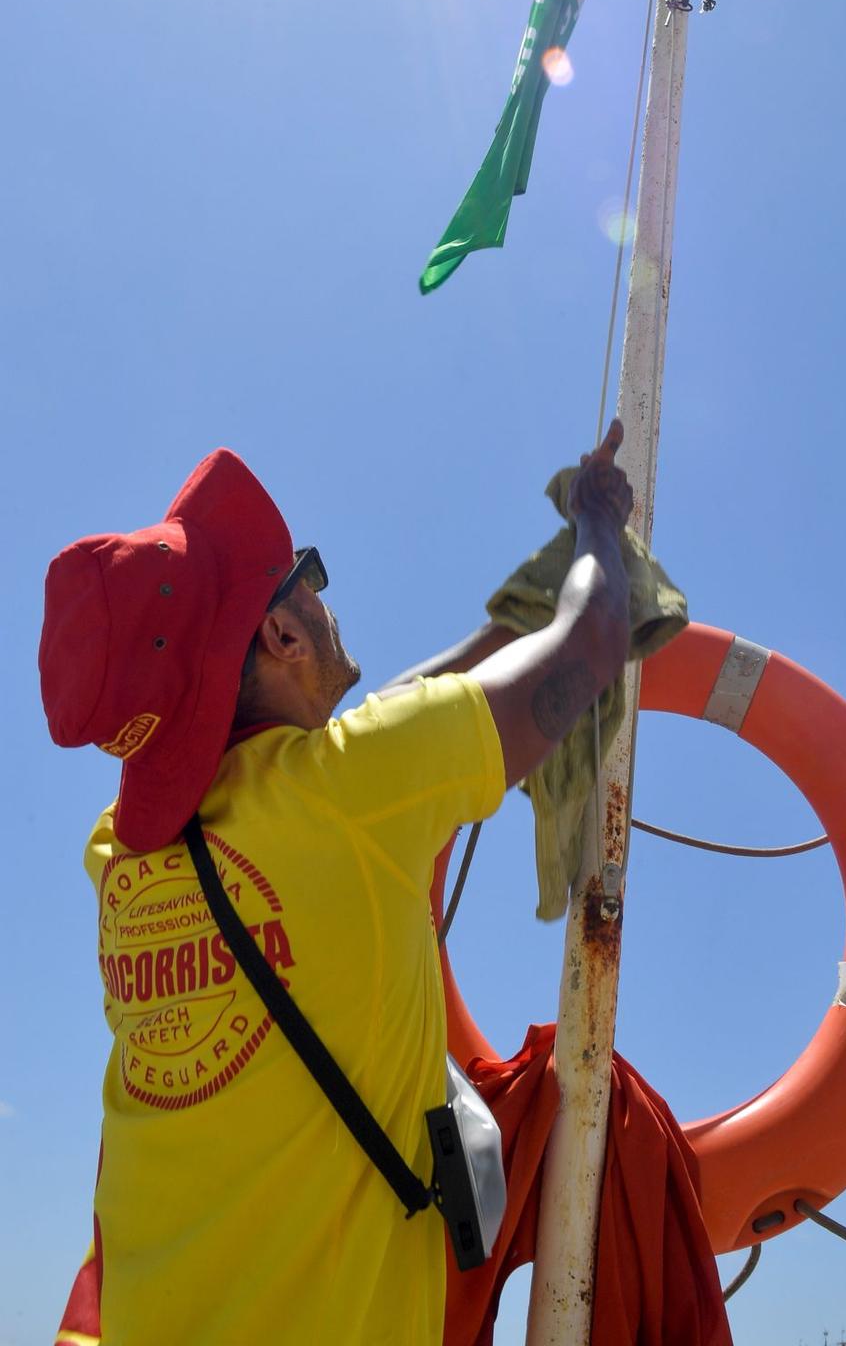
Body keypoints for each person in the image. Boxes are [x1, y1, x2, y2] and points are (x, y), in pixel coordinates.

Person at [41, 423, 634, 1346]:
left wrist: (505, 627)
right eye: (305, 577)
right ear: (280, 632)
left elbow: (377, 738)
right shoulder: (360, 794)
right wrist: (600, 522)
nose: (322, 596)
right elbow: (594, 644)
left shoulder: (116, 856)